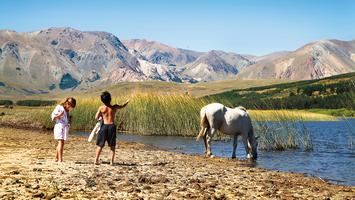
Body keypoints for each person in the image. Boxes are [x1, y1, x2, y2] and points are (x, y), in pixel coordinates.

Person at [94, 91, 129, 165]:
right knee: (112, 146)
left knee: (100, 145)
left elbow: (96, 117)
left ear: (102, 100)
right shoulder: (114, 107)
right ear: (110, 99)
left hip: (104, 127)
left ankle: (96, 160)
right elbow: (123, 106)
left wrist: (101, 117)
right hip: (111, 127)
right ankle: (111, 162)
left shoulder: (101, 108)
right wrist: (127, 102)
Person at [51, 97, 76, 162]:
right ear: (66, 102)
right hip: (59, 127)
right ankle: (60, 159)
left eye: (71, 106)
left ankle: (56, 158)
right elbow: (53, 117)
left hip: (64, 127)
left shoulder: (67, 110)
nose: (70, 107)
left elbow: (66, 119)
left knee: (61, 143)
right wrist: (59, 115)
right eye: (69, 104)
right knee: (61, 142)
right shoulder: (59, 107)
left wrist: (69, 119)